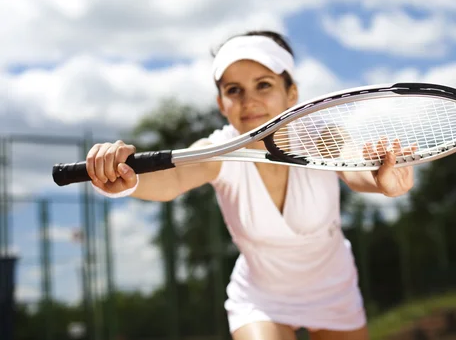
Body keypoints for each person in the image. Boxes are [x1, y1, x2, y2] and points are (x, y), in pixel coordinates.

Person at [85, 31, 415, 340]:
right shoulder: (218, 150)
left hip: (334, 290)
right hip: (261, 299)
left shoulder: (321, 137)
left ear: (292, 93)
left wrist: (381, 179)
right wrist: (125, 179)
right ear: (221, 104)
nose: (249, 101)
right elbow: (173, 179)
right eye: (234, 90)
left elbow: (354, 165)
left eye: (264, 85)